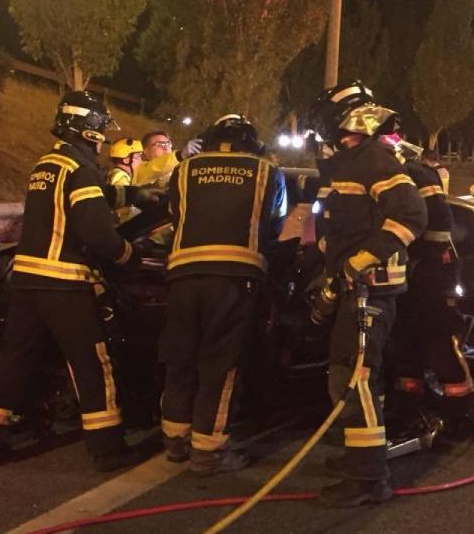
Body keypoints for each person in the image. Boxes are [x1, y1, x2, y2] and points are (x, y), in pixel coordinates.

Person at [0, 91, 144, 473]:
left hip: (27, 282)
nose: (102, 135)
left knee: (14, 362)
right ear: (89, 128)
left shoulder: (47, 164)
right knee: (92, 366)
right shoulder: (79, 170)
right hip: (64, 283)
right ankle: (107, 449)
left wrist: (133, 195)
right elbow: (98, 234)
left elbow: (77, 201)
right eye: (100, 126)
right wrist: (128, 255)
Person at [307, 80, 427, 507]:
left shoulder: (374, 158)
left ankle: (369, 477)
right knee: (347, 375)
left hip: (370, 290)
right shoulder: (353, 161)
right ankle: (358, 459)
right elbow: (344, 225)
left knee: (356, 378)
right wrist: (330, 259)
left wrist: (358, 263)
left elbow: (412, 215)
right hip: (353, 287)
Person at [158, 114, 287, 475]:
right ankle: (209, 451)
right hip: (235, 276)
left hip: (183, 275)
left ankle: (175, 440)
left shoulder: (185, 170)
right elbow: (275, 222)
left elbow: (174, 215)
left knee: (181, 357)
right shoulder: (265, 171)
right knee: (220, 361)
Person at [389, 137, 473, 428]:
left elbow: (436, 227)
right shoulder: (410, 176)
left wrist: (413, 255)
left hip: (432, 272)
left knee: (438, 342)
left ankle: (459, 414)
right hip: (415, 273)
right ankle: (409, 410)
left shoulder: (416, 178)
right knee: (406, 343)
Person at [134, 131, 202, 187]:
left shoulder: (179, 169)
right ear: (145, 151)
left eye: (168, 144)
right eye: (160, 144)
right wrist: (180, 155)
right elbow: (155, 168)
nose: (166, 148)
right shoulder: (137, 169)